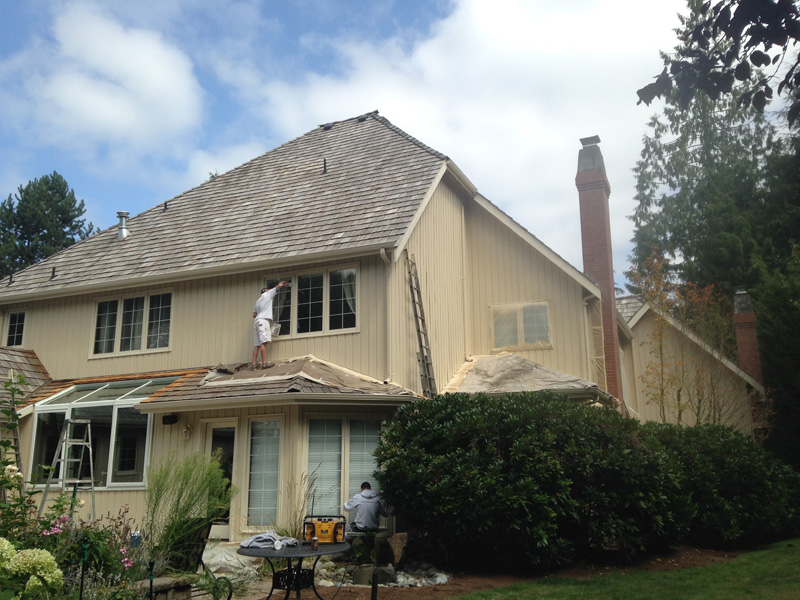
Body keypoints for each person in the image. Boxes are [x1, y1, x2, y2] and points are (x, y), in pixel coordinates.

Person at [252, 281, 287, 369]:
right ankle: (264, 363)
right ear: (266, 291)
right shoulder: (267, 295)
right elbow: (278, 286)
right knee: (263, 343)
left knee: (257, 344)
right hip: (263, 321)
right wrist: (283, 283)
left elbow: (254, 315)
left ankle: (253, 364)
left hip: (256, 322)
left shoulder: (257, 301)